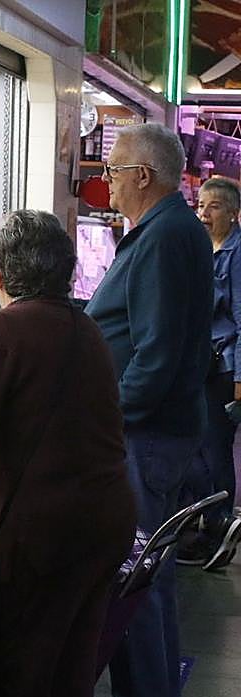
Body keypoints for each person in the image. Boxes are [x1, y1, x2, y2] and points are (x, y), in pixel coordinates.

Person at [0, 210, 136, 697]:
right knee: (71, 685)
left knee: (26, 689)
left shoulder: (4, 333)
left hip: (43, 536)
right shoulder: (85, 329)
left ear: (1, 271)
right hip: (104, 525)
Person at [85, 123, 214, 697]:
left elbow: (156, 356)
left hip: (147, 435)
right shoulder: (167, 232)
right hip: (159, 431)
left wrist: (108, 417)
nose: (105, 179)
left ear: (145, 175)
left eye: (113, 169)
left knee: (132, 573)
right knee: (150, 573)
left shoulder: (164, 237)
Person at [178, 176, 241, 571]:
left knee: (215, 450)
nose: (203, 213)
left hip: (224, 368)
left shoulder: (236, 255)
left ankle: (218, 528)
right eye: (200, 205)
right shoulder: (208, 249)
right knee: (199, 446)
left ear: (233, 214)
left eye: (213, 206)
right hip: (203, 364)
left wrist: (240, 378)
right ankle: (212, 523)